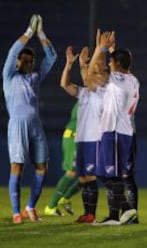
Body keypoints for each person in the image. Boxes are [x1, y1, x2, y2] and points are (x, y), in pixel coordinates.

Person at [3, 14, 57, 224]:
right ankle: (16, 212)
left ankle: (30, 207)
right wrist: (28, 33)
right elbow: (12, 52)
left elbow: (51, 57)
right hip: (17, 125)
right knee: (17, 167)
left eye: (29, 60)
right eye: (23, 59)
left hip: (36, 125)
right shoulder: (9, 77)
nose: (26, 62)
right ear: (18, 61)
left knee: (42, 166)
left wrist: (41, 34)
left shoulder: (35, 77)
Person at [88, 31, 139, 225]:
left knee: (110, 174)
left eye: (111, 62)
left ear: (116, 65)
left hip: (115, 131)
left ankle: (125, 209)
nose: (108, 64)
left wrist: (100, 48)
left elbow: (92, 71)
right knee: (103, 173)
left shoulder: (116, 80)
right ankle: (114, 215)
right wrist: (111, 51)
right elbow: (115, 66)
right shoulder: (133, 80)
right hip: (118, 131)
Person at [60, 45, 106, 223]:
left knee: (91, 176)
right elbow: (64, 84)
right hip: (81, 138)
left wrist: (86, 62)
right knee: (84, 177)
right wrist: (69, 64)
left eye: (97, 72)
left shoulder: (100, 91)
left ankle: (92, 213)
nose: (93, 74)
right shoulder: (84, 92)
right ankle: (88, 213)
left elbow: (88, 79)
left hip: (94, 139)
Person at [44, 102, 80, 216]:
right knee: (72, 172)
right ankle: (51, 206)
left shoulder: (96, 95)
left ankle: (65, 198)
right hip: (74, 135)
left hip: (84, 138)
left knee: (90, 174)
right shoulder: (88, 96)